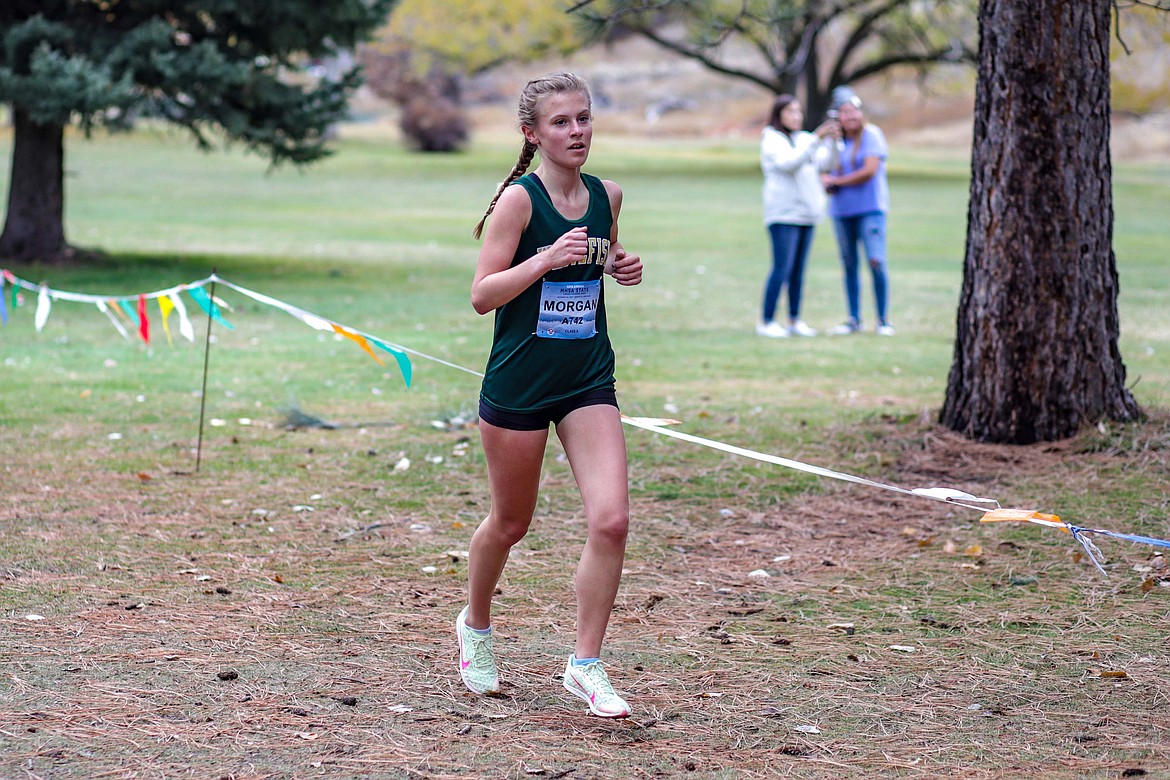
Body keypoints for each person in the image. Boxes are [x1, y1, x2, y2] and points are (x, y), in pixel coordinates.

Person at [460, 72, 643, 718]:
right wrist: (543, 260)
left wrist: (621, 265)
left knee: (612, 519)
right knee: (511, 522)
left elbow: (604, 256)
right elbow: (483, 295)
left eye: (584, 119)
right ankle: (475, 628)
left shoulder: (607, 194)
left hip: (587, 379)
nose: (578, 132)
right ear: (532, 134)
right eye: (562, 122)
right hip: (519, 383)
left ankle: (585, 664)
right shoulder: (519, 201)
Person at [757, 94, 840, 339]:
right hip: (783, 214)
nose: (796, 116)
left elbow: (827, 164)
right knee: (782, 268)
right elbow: (788, 164)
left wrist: (833, 141)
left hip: (807, 213)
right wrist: (817, 138)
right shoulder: (771, 138)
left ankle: (794, 319)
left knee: (798, 271)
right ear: (779, 114)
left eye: (798, 111)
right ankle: (767, 321)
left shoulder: (804, 139)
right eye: (791, 111)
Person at [821, 87, 894, 336]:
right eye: (844, 112)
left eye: (854, 111)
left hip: (870, 209)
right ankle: (854, 319)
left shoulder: (872, 135)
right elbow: (824, 168)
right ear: (837, 116)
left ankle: (883, 320)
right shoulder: (836, 142)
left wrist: (837, 182)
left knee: (876, 261)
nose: (850, 116)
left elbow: (869, 170)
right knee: (849, 264)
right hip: (842, 211)